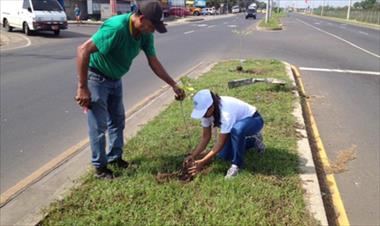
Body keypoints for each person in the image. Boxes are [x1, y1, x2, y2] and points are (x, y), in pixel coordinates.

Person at [75, 0, 185, 179]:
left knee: (118, 121)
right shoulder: (117, 28)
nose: (153, 31)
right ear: (141, 19)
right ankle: (100, 168)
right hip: (96, 78)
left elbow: (153, 61)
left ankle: (115, 158)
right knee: (99, 126)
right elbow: (82, 50)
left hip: (115, 79)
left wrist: (173, 84)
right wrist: (82, 87)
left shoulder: (144, 33)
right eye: (152, 26)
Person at [186, 89, 265, 179]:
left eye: (204, 112)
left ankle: (237, 165)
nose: (203, 115)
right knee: (224, 155)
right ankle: (253, 141)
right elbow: (206, 137)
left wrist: (203, 161)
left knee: (237, 130)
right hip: (235, 126)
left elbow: (220, 143)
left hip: (254, 120)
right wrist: (193, 155)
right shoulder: (206, 114)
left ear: (211, 106)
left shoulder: (225, 113)